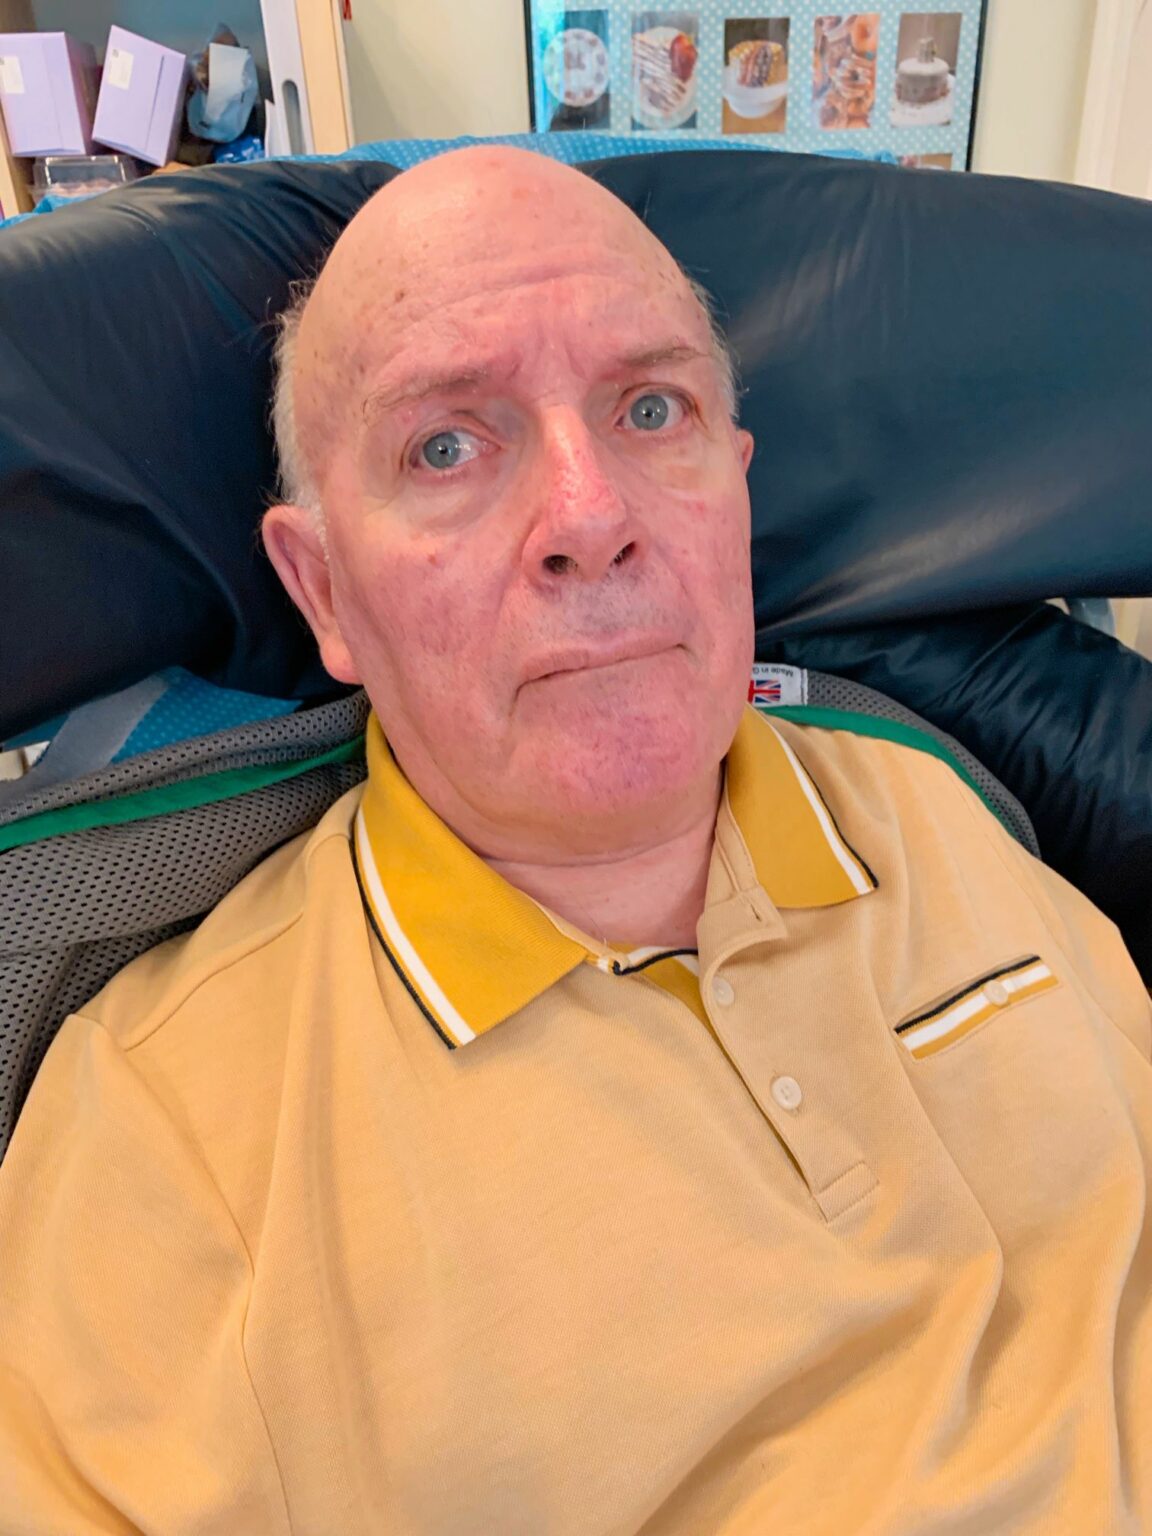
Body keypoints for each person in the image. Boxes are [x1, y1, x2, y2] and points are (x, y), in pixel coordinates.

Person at [0, 144, 1149, 1535]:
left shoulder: (932, 794)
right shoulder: (166, 1134)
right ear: (325, 591)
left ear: (736, 489)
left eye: (650, 408)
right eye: (446, 445)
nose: (593, 518)